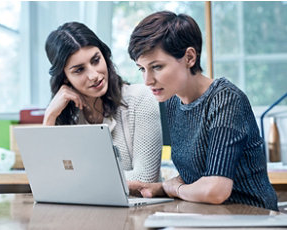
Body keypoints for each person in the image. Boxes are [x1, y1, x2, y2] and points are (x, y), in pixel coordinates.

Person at [127, 11, 278, 211]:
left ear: (189, 57)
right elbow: (199, 174)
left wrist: (175, 189)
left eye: (157, 67)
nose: (147, 80)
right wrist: (161, 187)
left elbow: (216, 190)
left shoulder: (226, 100)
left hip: (250, 216)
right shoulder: (172, 101)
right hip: (207, 215)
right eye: (142, 69)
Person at [43, 22, 163, 184]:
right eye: (79, 70)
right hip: (84, 208)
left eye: (96, 60)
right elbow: (48, 179)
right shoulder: (67, 116)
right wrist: (50, 116)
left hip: (137, 208)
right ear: (64, 77)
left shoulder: (140, 98)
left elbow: (145, 178)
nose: (94, 75)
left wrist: (76, 178)